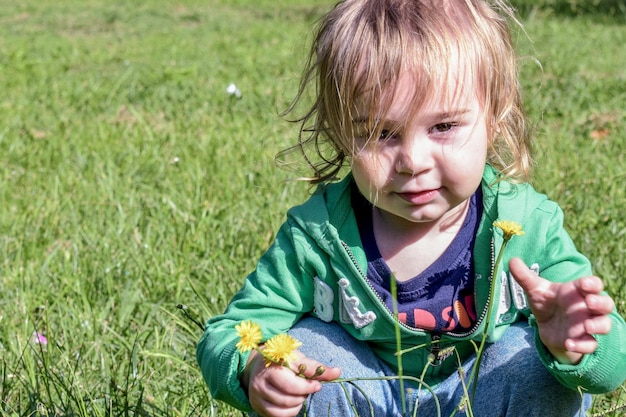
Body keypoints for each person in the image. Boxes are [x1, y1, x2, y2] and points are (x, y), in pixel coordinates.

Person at [197, 0, 626, 416]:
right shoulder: (318, 236)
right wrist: (255, 370)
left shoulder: (527, 226)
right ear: (342, 133)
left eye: (443, 126)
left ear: (494, 115)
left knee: (528, 365)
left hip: (482, 396)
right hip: (364, 394)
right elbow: (226, 335)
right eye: (382, 133)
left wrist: (574, 342)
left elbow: (614, 363)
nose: (413, 162)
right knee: (308, 352)